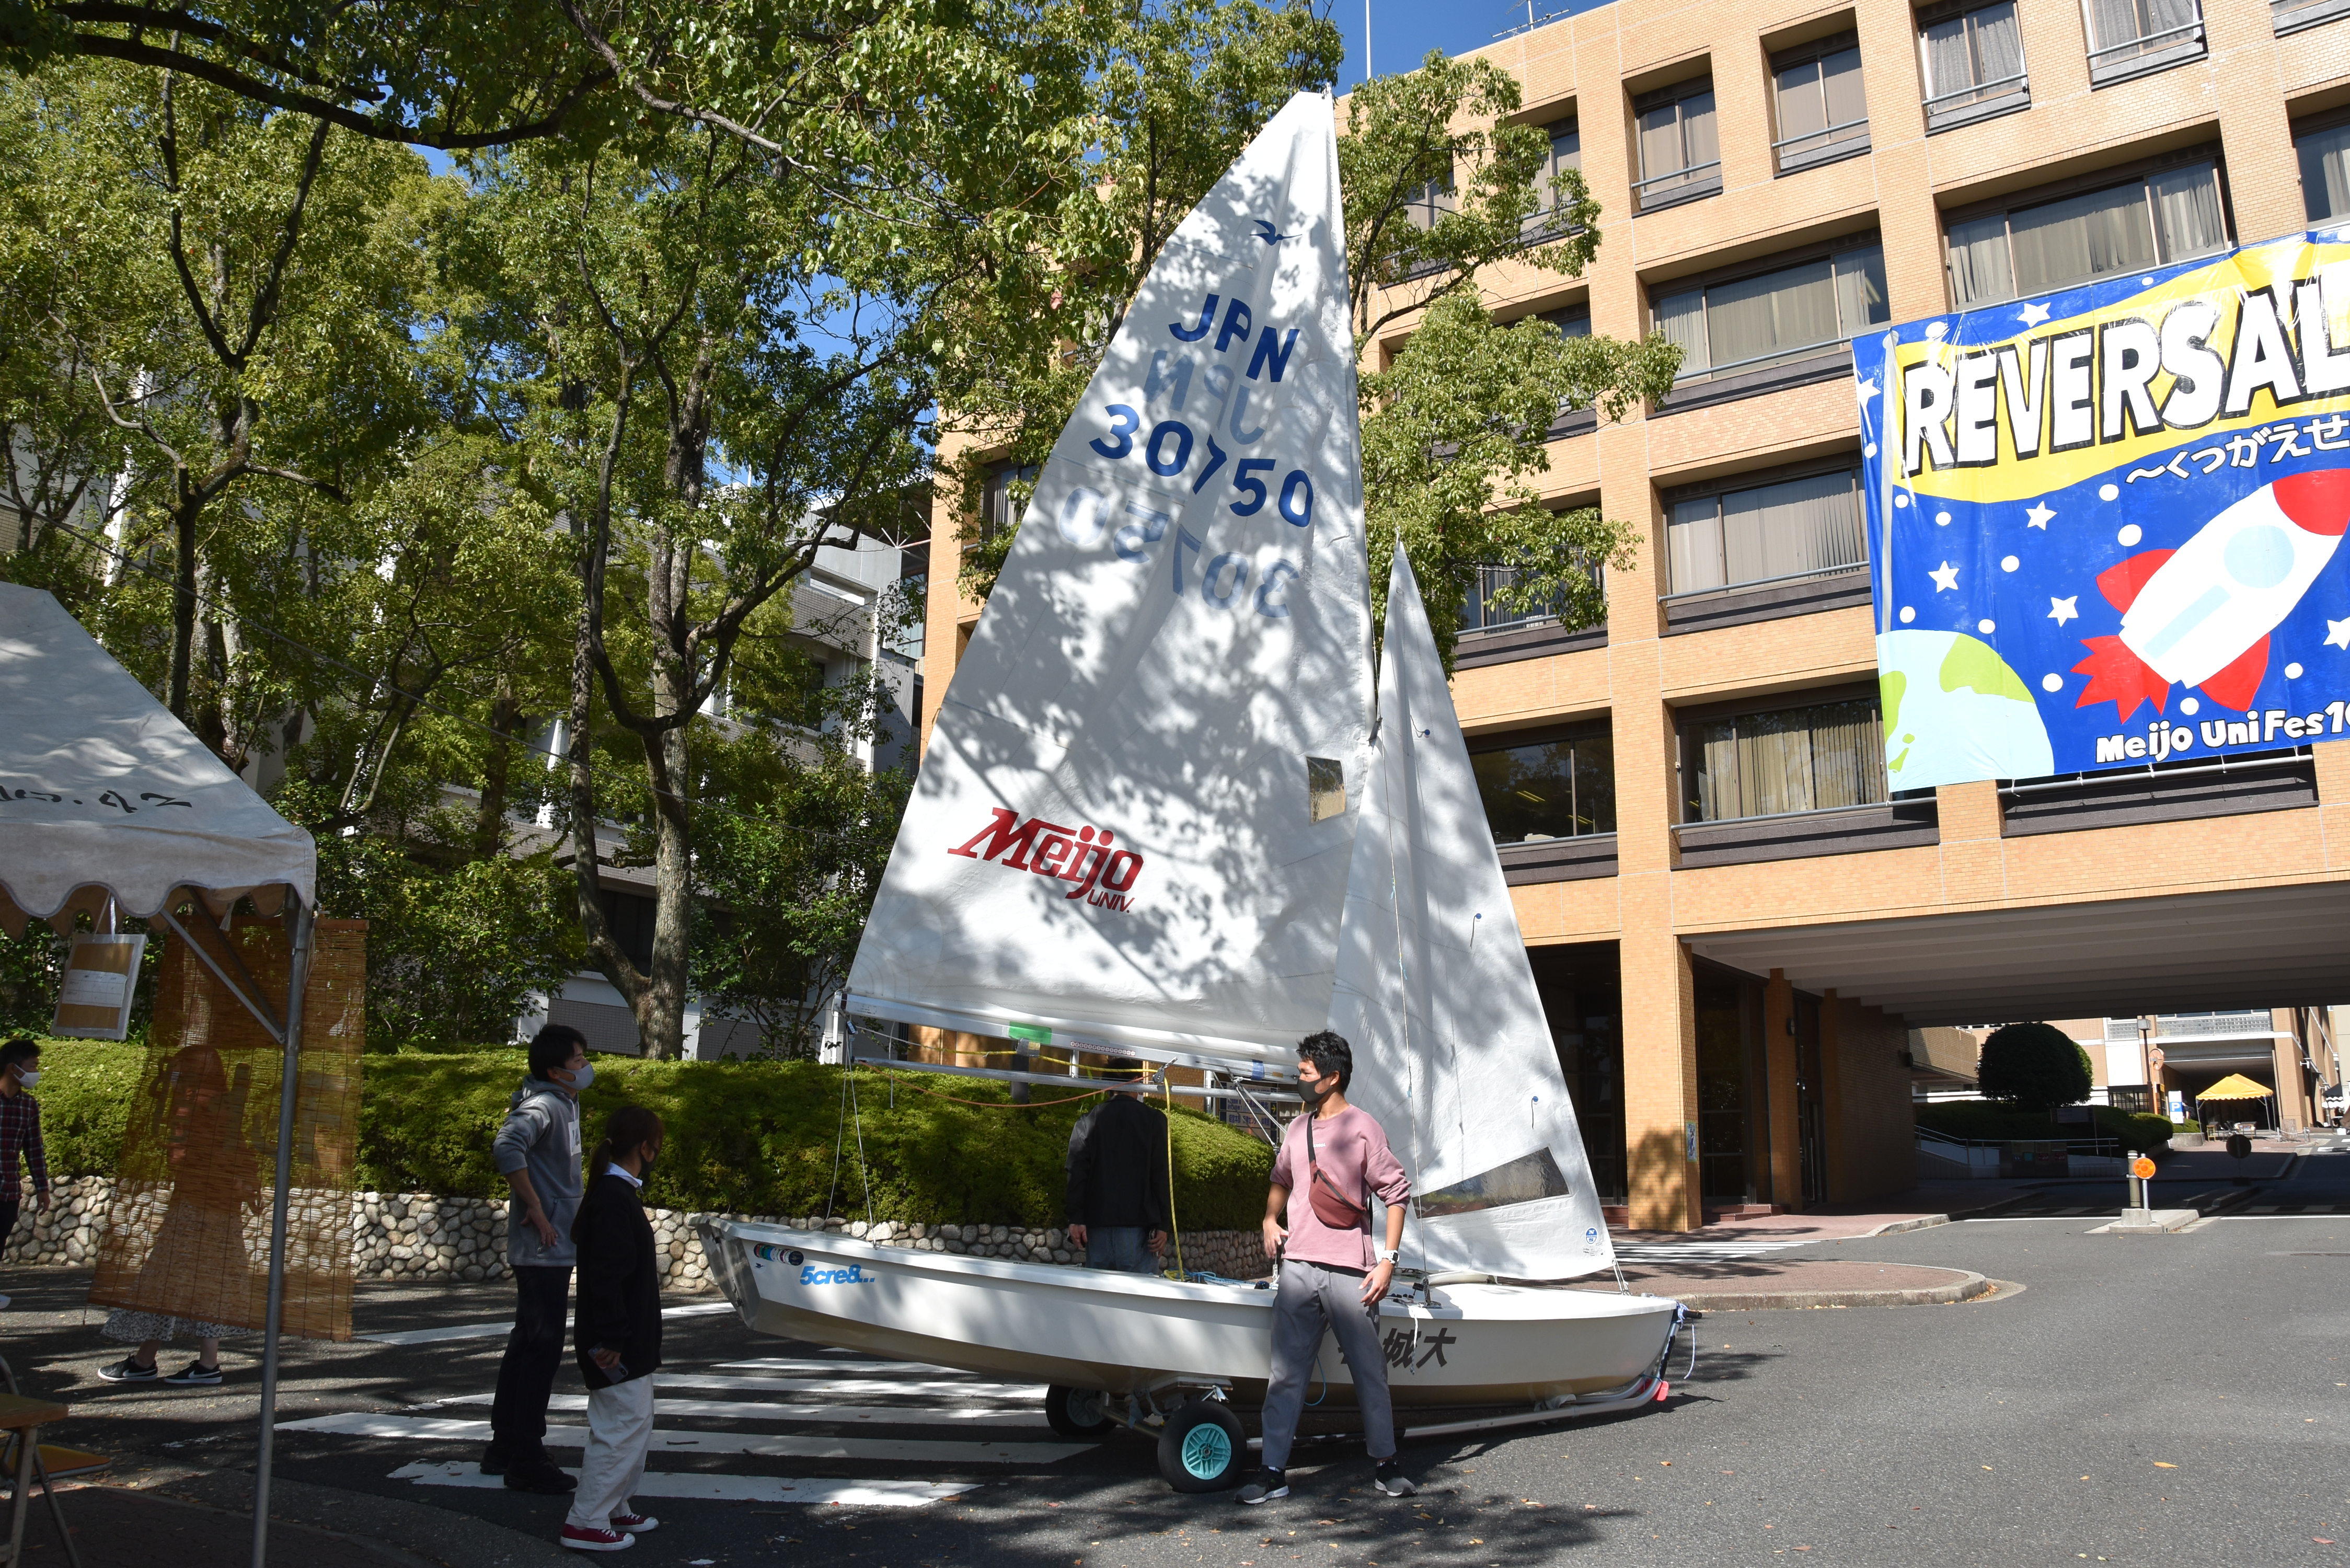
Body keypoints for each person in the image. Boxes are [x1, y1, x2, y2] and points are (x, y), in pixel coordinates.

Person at [1235, 1031, 1415, 1505]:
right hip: (1296, 1270)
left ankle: (1386, 1464)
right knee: (1286, 1375)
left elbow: (1396, 1195)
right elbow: (1281, 1178)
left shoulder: (1363, 1129)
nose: (1300, 1081)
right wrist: (1270, 1219)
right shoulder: (1296, 1130)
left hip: (1353, 1273)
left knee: (1369, 1372)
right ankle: (1273, 1473)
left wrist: (1388, 1263)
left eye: (1306, 1075)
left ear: (1332, 1077)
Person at [98, 1043, 251, 1386]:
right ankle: (202, 1363)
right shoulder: (228, 1105)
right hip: (225, 1208)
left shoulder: (190, 1104)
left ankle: (145, 1361)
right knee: (206, 1281)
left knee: (166, 1278)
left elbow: (180, 1158)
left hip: (194, 1204)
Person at [486, 1024, 592, 1494]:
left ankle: (506, 1446)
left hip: (552, 1243)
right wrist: (533, 1205)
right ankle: (526, 1456)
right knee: (541, 1347)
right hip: (542, 1246)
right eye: (577, 1059)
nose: (585, 1065)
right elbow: (507, 1146)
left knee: (527, 1341)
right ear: (554, 1070)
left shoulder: (563, 1101)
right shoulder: (545, 1104)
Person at [561, 1105, 666, 1553]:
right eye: (657, 1145)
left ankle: (615, 1505)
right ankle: (586, 1519)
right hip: (615, 1341)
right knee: (621, 1425)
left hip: (625, 1337)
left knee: (633, 1422)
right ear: (645, 1147)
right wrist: (613, 1339)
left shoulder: (615, 1193)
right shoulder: (613, 1198)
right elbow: (607, 1276)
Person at [1064, 1059, 1171, 1273]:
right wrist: (1164, 1225)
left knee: (1100, 1301)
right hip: (1138, 1232)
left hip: (1097, 1230)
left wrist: (1076, 1218)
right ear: (1135, 1082)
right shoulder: (1154, 1120)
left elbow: (1076, 1172)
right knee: (1137, 1302)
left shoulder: (1087, 1121)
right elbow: (1161, 1175)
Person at [0, 1039, 51, 1265]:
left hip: (8, 1191)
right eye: (32, 1066)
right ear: (13, 1068)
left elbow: (34, 1149)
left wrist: (42, 1188)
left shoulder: (28, 1105)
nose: (36, 1072)